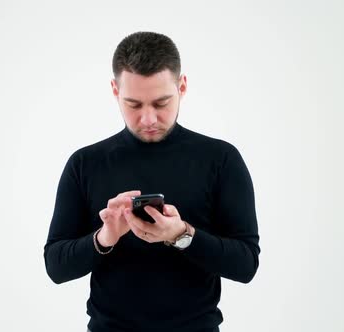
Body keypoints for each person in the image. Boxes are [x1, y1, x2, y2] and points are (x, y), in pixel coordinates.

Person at [44, 31, 260, 332]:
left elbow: (246, 264)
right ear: (115, 90)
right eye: (134, 104)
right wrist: (106, 237)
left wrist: (182, 235)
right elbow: (55, 266)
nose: (148, 119)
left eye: (161, 103)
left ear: (182, 86)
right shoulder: (85, 164)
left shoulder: (220, 159)